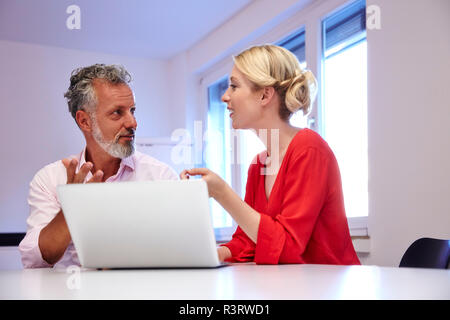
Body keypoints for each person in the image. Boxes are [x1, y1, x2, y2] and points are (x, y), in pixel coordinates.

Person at [181, 45, 360, 265]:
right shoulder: (259, 165)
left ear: (265, 95)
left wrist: (221, 193)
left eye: (234, 86)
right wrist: (213, 253)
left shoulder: (309, 150)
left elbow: (288, 247)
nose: (225, 97)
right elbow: (248, 241)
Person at [19, 64, 178, 268]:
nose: (133, 123)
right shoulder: (49, 179)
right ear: (85, 121)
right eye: (117, 113)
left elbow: (177, 253)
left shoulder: (161, 176)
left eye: (132, 111)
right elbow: (36, 260)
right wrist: (71, 206)